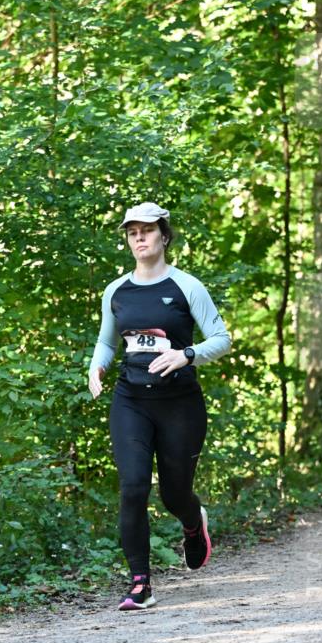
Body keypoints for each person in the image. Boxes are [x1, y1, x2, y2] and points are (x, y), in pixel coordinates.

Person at [88, 201, 231, 611]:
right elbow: (107, 340)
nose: (139, 238)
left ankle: (192, 522)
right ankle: (140, 584)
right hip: (131, 399)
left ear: (163, 236)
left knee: (174, 493)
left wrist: (186, 354)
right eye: (132, 232)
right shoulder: (116, 291)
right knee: (132, 487)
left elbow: (221, 339)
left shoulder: (187, 286)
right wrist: (97, 366)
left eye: (147, 231)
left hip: (180, 404)